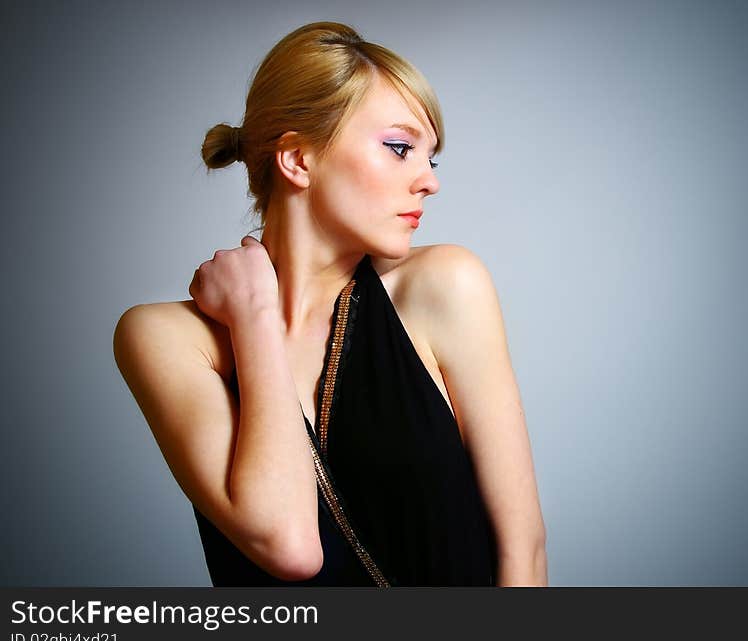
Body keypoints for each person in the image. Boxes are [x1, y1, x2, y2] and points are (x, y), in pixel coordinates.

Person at [113, 21, 546, 586]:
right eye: (399, 148)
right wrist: (256, 316)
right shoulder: (164, 338)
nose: (429, 182)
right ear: (297, 159)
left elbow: (524, 553)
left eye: (430, 159)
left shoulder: (442, 288)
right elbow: (289, 547)